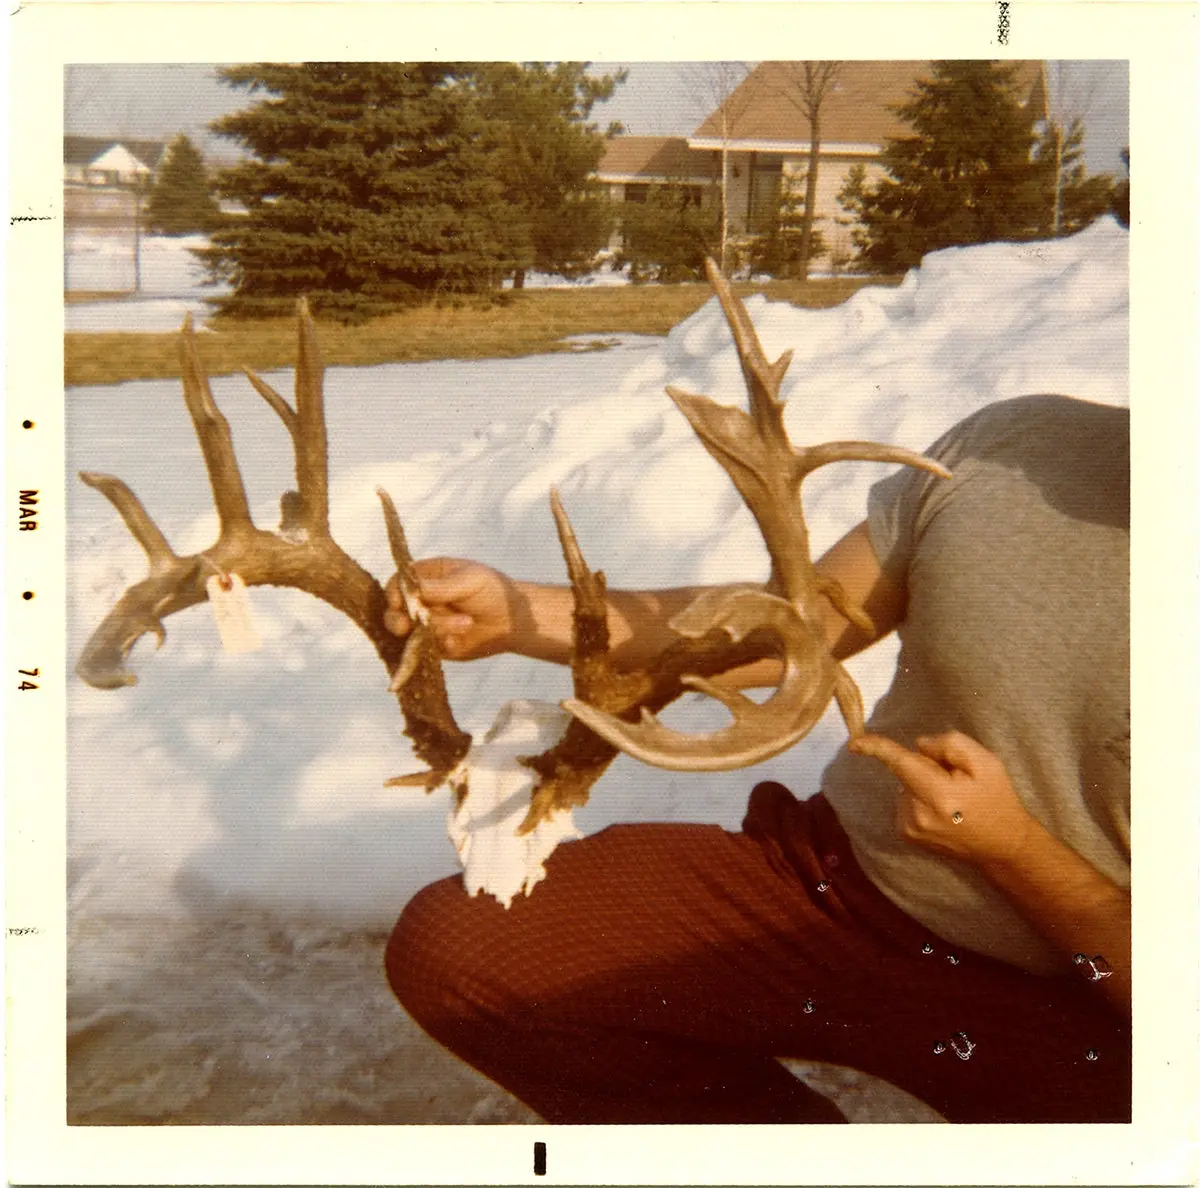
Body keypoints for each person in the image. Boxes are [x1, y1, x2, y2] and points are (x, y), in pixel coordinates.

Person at [381, 393, 1130, 1125]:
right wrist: (519, 612)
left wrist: (1017, 852)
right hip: (835, 888)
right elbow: (792, 627)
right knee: (463, 954)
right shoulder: (1015, 445)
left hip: (1080, 999)